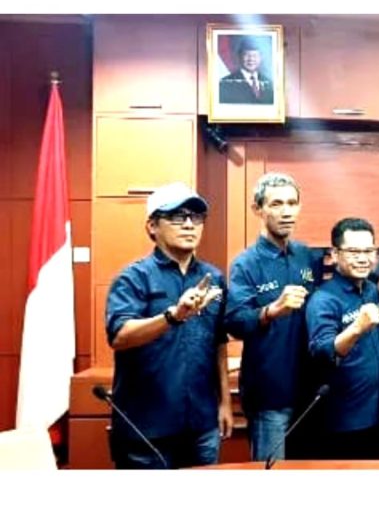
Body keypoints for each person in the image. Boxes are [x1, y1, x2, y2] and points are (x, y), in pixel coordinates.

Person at [104, 182, 233, 469]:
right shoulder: (133, 278)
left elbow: (218, 343)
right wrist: (172, 316)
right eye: (177, 216)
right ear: (152, 226)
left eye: (196, 217)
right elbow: (120, 336)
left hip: (202, 425)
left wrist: (224, 402)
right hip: (147, 428)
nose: (189, 224)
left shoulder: (213, 278)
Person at [224, 172, 320, 462]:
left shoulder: (307, 256)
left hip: (309, 390)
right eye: (276, 204)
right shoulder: (246, 263)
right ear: (258, 209)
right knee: (272, 473)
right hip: (269, 394)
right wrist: (271, 310)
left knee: (309, 474)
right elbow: (235, 322)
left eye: (292, 203)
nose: (286, 211)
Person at [306, 218, 379, 459]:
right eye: (354, 252)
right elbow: (323, 352)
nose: (363, 259)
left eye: (368, 251)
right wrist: (357, 328)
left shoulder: (372, 291)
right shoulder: (324, 300)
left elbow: (377, 347)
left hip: (375, 413)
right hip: (342, 421)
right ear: (334, 254)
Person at [219, 37, 274, 105]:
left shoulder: (269, 83)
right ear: (239, 56)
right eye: (247, 55)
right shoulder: (225, 83)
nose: (251, 59)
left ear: (261, 58)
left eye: (255, 55)